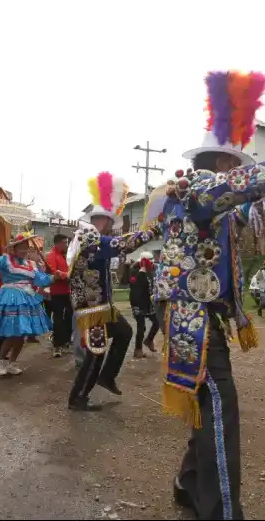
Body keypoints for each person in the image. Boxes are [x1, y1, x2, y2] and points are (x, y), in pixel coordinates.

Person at [148, 70, 265, 520]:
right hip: (192, 314)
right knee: (218, 403)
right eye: (239, 166)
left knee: (207, 398)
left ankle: (189, 484)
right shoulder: (202, 186)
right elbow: (239, 188)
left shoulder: (212, 203)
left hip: (201, 313)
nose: (243, 172)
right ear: (224, 165)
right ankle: (221, 510)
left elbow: (244, 206)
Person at [67, 172, 160, 411]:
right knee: (96, 352)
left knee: (124, 332)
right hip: (92, 308)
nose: (111, 228)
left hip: (101, 305)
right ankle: (78, 397)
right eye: (109, 223)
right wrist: (155, 229)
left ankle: (106, 377)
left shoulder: (92, 237)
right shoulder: (90, 238)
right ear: (104, 221)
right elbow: (125, 244)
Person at [0, 232, 61, 376]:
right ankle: (0, 361)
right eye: (21, 248)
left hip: (27, 298)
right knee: (13, 332)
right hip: (11, 297)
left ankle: (12, 362)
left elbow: (41, 280)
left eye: (26, 247)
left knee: (22, 333)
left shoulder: (31, 264)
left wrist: (54, 278)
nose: (24, 250)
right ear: (13, 249)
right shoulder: (5, 260)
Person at [45, 233, 74, 358]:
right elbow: (53, 272)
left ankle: (66, 340)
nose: (66, 245)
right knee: (58, 319)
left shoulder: (67, 255)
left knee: (70, 316)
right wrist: (67, 275)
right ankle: (57, 345)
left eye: (67, 242)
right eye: (64, 242)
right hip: (56, 292)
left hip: (68, 291)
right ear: (57, 243)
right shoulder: (51, 255)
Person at [129, 252, 159, 357]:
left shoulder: (152, 270)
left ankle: (149, 340)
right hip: (138, 302)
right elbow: (136, 286)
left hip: (148, 302)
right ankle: (138, 350)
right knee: (141, 327)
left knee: (157, 322)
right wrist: (142, 272)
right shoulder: (134, 271)